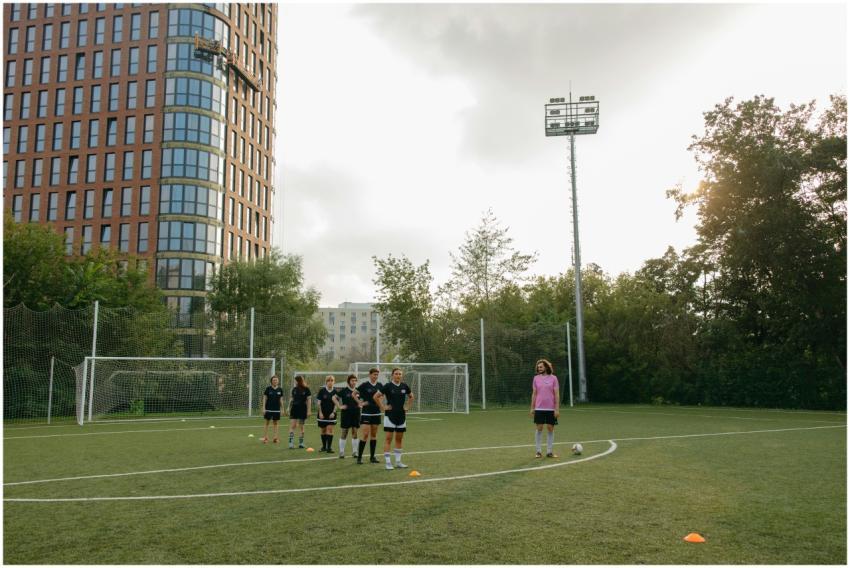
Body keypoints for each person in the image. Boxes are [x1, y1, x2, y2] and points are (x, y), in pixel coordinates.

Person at [376, 367, 414, 470]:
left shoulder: (404, 386)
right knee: (388, 439)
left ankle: (398, 462)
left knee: (399, 439)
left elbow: (411, 396)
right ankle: (388, 463)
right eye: (396, 374)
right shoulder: (388, 386)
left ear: (402, 376)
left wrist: (407, 407)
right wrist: (383, 407)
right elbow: (376, 396)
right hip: (390, 416)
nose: (398, 375)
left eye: (400, 374)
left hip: (401, 416)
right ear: (392, 375)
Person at [530, 358, 560, 458]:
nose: (539, 368)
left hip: (551, 409)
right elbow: (534, 394)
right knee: (539, 428)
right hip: (539, 408)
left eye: (541, 367)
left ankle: (549, 452)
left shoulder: (554, 378)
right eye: (538, 367)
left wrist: (557, 409)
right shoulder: (536, 378)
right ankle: (538, 451)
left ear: (546, 367)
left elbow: (556, 394)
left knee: (550, 428)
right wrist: (532, 407)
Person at [355, 367, 383, 464]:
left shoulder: (380, 385)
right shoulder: (364, 385)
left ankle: (372, 457)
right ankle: (359, 457)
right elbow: (354, 394)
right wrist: (360, 403)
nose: (375, 376)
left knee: (374, 435)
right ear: (370, 375)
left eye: (377, 374)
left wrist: (381, 402)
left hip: (376, 412)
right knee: (365, 435)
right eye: (374, 374)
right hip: (366, 412)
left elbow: (382, 396)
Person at [337, 374, 361, 458]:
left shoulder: (358, 391)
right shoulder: (344, 391)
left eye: (355, 380)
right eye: (352, 380)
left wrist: (361, 404)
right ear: (349, 381)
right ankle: (341, 452)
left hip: (356, 414)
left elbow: (362, 401)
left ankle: (355, 452)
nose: (354, 382)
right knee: (345, 432)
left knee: (355, 432)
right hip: (346, 414)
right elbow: (334, 397)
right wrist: (339, 406)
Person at [316, 375, 341, 453]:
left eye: (332, 380)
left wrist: (333, 412)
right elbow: (319, 403)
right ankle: (324, 447)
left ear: (334, 382)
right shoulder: (322, 391)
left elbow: (336, 404)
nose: (330, 382)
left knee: (329, 430)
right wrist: (320, 413)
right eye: (328, 381)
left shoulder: (335, 392)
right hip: (322, 415)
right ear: (326, 382)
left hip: (332, 415)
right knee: (323, 431)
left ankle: (329, 448)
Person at [288, 375, 311, 449]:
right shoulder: (294, 389)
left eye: (296, 380)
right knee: (293, 426)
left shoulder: (306, 389)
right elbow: (291, 399)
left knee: (301, 427)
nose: (295, 382)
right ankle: (290, 443)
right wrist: (288, 407)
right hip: (294, 409)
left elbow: (309, 400)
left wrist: (309, 411)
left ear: (299, 381)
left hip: (302, 409)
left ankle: (301, 443)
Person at [260, 375, 285, 444]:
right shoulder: (268, 389)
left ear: (278, 381)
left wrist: (282, 409)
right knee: (267, 423)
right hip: (268, 409)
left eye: (276, 380)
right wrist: (263, 408)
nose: (275, 381)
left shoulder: (280, 389)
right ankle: (265, 438)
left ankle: (275, 438)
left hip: (276, 409)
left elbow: (281, 400)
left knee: (276, 423)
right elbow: (264, 398)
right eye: (274, 380)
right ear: (271, 381)